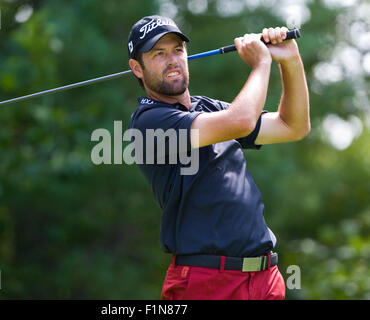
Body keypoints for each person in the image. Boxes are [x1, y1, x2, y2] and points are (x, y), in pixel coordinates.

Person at [127, 15, 310, 300]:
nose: (172, 60)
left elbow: (293, 126)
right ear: (137, 68)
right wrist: (262, 64)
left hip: (265, 277)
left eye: (177, 50)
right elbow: (241, 121)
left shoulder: (208, 107)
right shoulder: (148, 122)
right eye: (158, 54)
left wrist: (290, 61)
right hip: (207, 282)